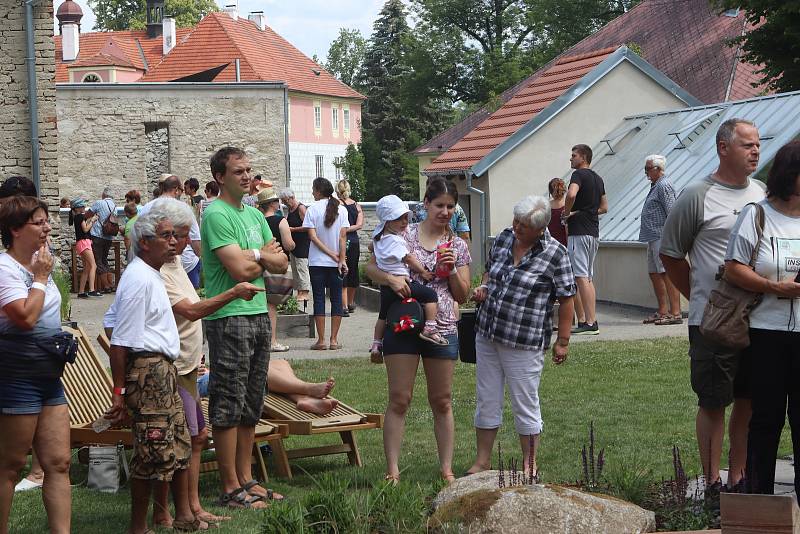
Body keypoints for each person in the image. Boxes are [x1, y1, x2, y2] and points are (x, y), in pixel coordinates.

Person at [660, 118, 764, 504]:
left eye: (757, 144)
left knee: (749, 398)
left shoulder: (762, 193)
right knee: (713, 399)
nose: (755, 151)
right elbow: (670, 254)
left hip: (758, 318)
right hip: (713, 322)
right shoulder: (696, 195)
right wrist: (700, 297)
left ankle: (738, 477)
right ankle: (710, 482)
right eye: (747, 145)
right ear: (723, 148)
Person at [156, 198, 263, 526]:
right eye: (173, 235)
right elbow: (189, 310)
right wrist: (233, 292)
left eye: (185, 235)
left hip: (189, 364)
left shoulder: (175, 265)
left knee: (197, 438)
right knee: (184, 440)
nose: (182, 242)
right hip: (170, 368)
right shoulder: (156, 271)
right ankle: (175, 513)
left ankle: (193, 507)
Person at [103, 206, 206, 533]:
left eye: (175, 235)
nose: (174, 242)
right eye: (166, 236)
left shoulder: (151, 274)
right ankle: (139, 527)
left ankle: (183, 517)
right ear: (144, 242)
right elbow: (119, 340)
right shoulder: (138, 279)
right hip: (148, 373)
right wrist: (119, 393)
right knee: (152, 449)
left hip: (164, 370)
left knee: (177, 444)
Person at [365, 178, 471, 484]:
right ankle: (392, 471)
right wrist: (390, 279)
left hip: (442, 325)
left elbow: (462, 294)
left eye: (451, 207)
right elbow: (370, 268)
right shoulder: (403, 232)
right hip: (403, 322)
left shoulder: (457, 245)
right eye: (439, 205)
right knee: (400, 398)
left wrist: (450, 269)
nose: (445, 212)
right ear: (425, 204)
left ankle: (446, 469)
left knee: (442, 399)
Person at [201, 146, 287, 509]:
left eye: (249, 169)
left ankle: (248, 478)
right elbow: (239, 270)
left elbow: (280, 262)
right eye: (239, 171)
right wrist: (261, 258)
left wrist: (258, 258)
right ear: (220, 177)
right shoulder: (216, 214)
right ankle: (230, 485)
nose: (247, 176)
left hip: (257, 314)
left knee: (252, 401)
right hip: (229, 316)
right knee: (228, 401)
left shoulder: (253, 213)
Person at [466, 195, 575, 479]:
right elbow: (490, 274)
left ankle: (530, 464)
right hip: (488, 332)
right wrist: (483, 287)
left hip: (524, 341)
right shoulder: (503, 238)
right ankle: (482, 461)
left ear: (539, 229)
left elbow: (566, 299)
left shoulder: (556, 253)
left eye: (523, 225)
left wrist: (563, 341)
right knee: (486, 399)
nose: (515, 228)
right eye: (515, 221)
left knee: (525, 402)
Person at [722, 141, 800, 495]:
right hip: (765, 333)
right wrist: (775, 288)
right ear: (789, 175)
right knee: (765, 419)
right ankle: (759, 499)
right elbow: (733, 269)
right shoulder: (757, 214)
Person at [0, 196, 71, 534]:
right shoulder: (4, 268)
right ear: (15, 229)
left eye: (47, 221)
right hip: (16, 375)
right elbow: (26, 317)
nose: (47, 228)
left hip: (48, 373)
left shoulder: (40, 262)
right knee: (10, 465)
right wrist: (41, 278)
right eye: (38, 222)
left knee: (59, 462)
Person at [369, 194, 448, 360]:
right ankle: (430, 327)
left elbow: (371, 248)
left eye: (406, 218)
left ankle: (376, 343)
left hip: (385, 288)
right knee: (430, 295)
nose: (405, 222)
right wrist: (423, 272)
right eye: (400, 219)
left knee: (383, 315)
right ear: (388, 221)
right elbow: (409, 259)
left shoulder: (379, 237)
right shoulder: (396, 241)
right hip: (402, 282)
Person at [563, 144, 607, 335]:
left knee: (580, 277)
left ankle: (590, 322)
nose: (571, 159)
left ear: (583, 157)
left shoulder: (578, 175)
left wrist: (567, 213)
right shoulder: (598, 178)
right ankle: (590, 319)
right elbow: (604, 207)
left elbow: (571, 193)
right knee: (587, 277)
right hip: (593, 232)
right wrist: (587, 211)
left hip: (579, 232)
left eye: (573, 155)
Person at [303, 177, 350, 350]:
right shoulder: (342, 209)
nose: (312, 192)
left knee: (319, 299)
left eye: (313, 189)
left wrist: (329, 253)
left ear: (318, 190)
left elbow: (312, 237)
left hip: (316, 261)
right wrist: (341, 259)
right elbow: (342, 236)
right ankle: (334, 340)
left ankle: (321, 340)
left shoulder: (312, 209)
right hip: (336, 262)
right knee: (337, 299)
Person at [139, 176, 203, 289]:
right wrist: (199, 257)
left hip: (157, 264)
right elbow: (195, 239)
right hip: (186, 261)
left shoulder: (146, 208)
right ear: (176, 189)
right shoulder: (183, 208)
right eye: (182, 190)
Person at [639, 155, 681, 325]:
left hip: (662, 235)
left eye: (648, 169)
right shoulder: (655, 185)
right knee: (655, 273)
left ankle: (675, 312)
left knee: (666, 273)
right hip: (652, 236)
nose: (646, 172)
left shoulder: (664, 185)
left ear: (658, 169)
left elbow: (672, 211)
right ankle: (663, 311)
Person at [257, 187, 295, 353]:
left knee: (261, 304)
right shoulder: (280, 221)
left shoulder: (256, 221)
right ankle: (272, 341)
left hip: (258, 264)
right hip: (275, 265)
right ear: (273, 204)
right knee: (272, 304)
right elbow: (288, 244)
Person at [412, 176, 471, 242]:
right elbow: (465, 235)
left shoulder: (418, 208)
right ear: (426, 203)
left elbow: (415, 231)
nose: (445, 213)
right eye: (439, 206)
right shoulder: (458, 208)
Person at [280, 187, 311, 303]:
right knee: (295, 268)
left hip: (302, 243)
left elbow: (308, 226)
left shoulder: (301, 208)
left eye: (285, 200)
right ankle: (299, 291)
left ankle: (305, 292)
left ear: (291, 198)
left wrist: (293, 229)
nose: (284, 203)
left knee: (302, 267)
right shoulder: (290, 209)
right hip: (294, 245)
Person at [338, 180, 363, 315]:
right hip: (354, 241)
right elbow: (359, 225)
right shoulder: (357, 205)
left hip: (342, 241)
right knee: (353, 270)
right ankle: (350, 302)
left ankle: (343, 306)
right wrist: (349, 229)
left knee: (342, 270)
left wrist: (343, 230)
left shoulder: (336, 205)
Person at [69, 198, 102, 298]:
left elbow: (83, 227)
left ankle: (81, 291)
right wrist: (92, 220)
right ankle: (92, 289)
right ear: (78, 208)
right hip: (84, 242)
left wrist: (89, 220)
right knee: (93, 265)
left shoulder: (77, 217)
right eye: (82, 206)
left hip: (80, 243)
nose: (84, 207)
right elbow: (86, 229)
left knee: (86, 268)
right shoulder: (80, 216)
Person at [89, 186, 118, 293]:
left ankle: (106, 286)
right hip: (109, 236)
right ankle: (111, 285)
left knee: (98, 261)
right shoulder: (114, 205)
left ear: (104, 195)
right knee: (104, 260)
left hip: (97, 235)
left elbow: (88, 214)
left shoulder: (99, 203)